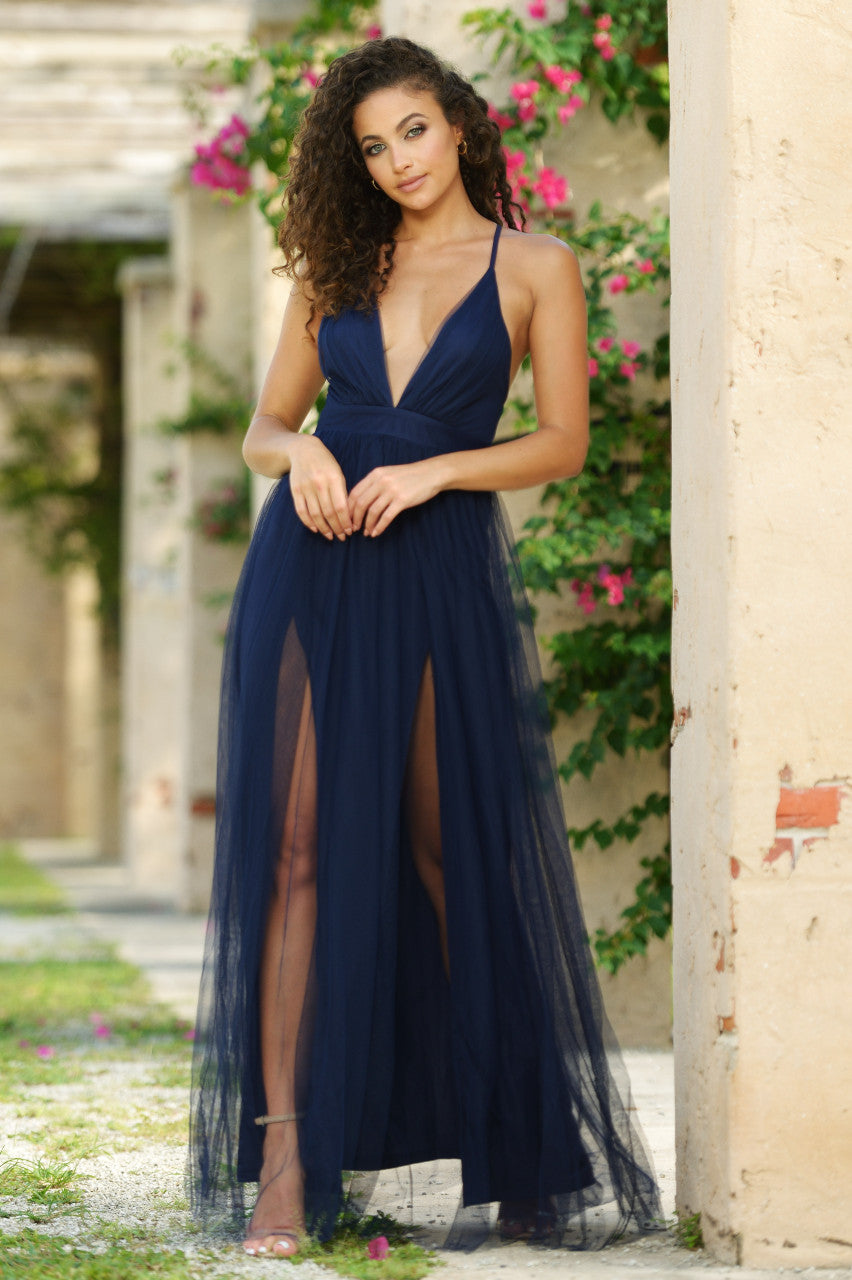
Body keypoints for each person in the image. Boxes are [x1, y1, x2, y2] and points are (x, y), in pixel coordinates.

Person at [188, 35, 660, 1261]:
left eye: (412, 131)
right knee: (294, 850)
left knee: (454, 850)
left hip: (438, 568)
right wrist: (302, 450)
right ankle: (286, 1162)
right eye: (372, 145)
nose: (398, 160)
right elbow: (262, 425)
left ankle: (521, 1149)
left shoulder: (535, 267)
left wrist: (439, 467)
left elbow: (561, 441)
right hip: (314, 563)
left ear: (457, 124)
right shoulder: (337, 269)